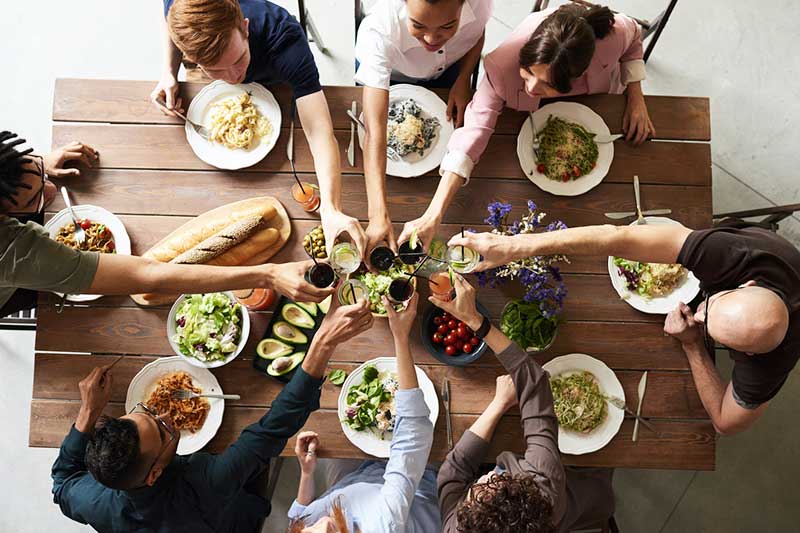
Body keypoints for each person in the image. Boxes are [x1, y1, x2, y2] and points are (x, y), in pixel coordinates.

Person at [51, 297, 375, 532]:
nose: (166, 415)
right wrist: (322, 342)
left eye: (147, 413)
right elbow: (275, 426)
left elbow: (62, 482)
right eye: (163, 431)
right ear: (153, 475)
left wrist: (88, 412)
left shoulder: (93, 501)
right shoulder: (207, 484)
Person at [449, 219, 800, 435]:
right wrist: (514, 246)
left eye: (709, 327)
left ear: (751, 354)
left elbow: (726, 422)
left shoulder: (773, 363)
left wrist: (693, 345)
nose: (700, 313)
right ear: (747, 285)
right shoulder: (734, 254)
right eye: (711, 305)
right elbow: (616, 237)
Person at [399, 3, 654, 249]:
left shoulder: (614, 36)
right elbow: (473, 133)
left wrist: (636, 97)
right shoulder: (501, 66)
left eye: (547, 84)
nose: (531, 89)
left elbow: (634, 39)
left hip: (595, 103)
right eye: (528, 72)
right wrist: (433, 214)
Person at [0, 131, 332, 317]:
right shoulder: (15, 251)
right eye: (35, 202)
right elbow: (147, 274)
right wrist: (270, 274)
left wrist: (34, 167)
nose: (53, 190)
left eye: (41, 176)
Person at [152, 0, 367, 259]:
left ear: (245, 29)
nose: (233, 78)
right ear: (194, 59)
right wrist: (168, 72)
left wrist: (330, 208)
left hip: (275, 78)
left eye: (239, 59)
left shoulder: (285, 39)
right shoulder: (181, 8)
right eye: (215, 70)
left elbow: (319, 129)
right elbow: (170, 22)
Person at [432, 274, 615, 532]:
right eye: (495, 481)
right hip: (584, 497)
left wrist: (498, 405)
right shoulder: (544, 488)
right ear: (524, 492)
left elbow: (452, 473)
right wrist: (476, 321)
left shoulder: (458, 528)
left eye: (474, 493)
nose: (485, 477)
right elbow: (535, 384)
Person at [287, 293, 441, 532]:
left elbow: (298, 517)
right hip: (423, 484)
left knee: (333, 439)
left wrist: (307, 473)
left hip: (358, 481)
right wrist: (400, 337)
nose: (320, 527)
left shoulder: (310, 525)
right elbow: (412, 437)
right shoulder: (383, 524)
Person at [356, 0, 492, 257]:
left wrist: (463, 79)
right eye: (417, 25)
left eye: (448, 26)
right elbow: (375, 130)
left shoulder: (481, 6)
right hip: (393, 74)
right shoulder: (380, 32)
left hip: (451, 70)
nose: (431, 39)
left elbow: (477, 34)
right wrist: (377, 216)